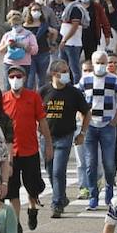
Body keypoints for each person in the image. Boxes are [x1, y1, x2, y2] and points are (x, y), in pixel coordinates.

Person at [1, 66, 52, 231]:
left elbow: (42, 121)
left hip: (30, 151)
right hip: (11, 153)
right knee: (13, 190)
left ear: (24, 77)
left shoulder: (33, 97)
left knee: (33, 187)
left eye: (18, 75)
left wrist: (49, 144)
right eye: (12, 76)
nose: (15, 78)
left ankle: (32, 209)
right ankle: (16, 223)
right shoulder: (3, 99)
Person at [41, 59, 89, 218]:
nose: (67, 74)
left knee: (58, 171)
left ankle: (56, 204)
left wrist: (82, 133)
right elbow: (36, 113)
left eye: (67, 71)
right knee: (49, 170)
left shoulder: (74, 92)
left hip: (65, 136)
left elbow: (86, 112)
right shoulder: (43, 91)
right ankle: (61, 197)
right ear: (54, 74)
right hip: (46, 137)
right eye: (63, 71)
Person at [80, 50, 117, 210]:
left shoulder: (115, 80)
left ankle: (109, 190)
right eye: (97, 62)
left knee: (108, 162)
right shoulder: (84, 80)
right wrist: (83, 121)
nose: (100, 65)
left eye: (103, 62)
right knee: (90, 163)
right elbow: (79, 104)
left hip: (107, 126)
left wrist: (114, 122)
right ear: (92, 64)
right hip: (90, 127)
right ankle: (93, 195)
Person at [0, 10, 39, 86]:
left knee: (23, 87)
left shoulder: (29, 35)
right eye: (13, 24)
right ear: (10, 24)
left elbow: (35, 51)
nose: (15, 26)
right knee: (8, 86)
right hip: (9, 64)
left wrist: (23, 46)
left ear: (21, 23)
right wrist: (7, 45)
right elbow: (0, 51)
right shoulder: (7, 35)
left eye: (17, 24)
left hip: (24, 64)